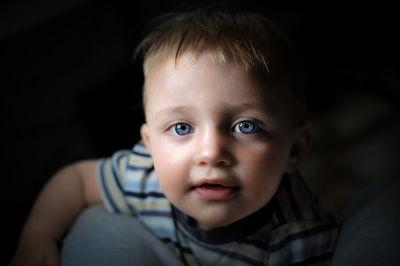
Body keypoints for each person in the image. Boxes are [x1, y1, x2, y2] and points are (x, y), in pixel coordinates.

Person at [10, 4, 340, 266]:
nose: (211, 153)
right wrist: (38, 235)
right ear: (150, 145)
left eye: (246, 126)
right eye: (182, 127)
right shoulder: (145, 177)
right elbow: (77, 180)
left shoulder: (299, 240)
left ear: (295, 149)